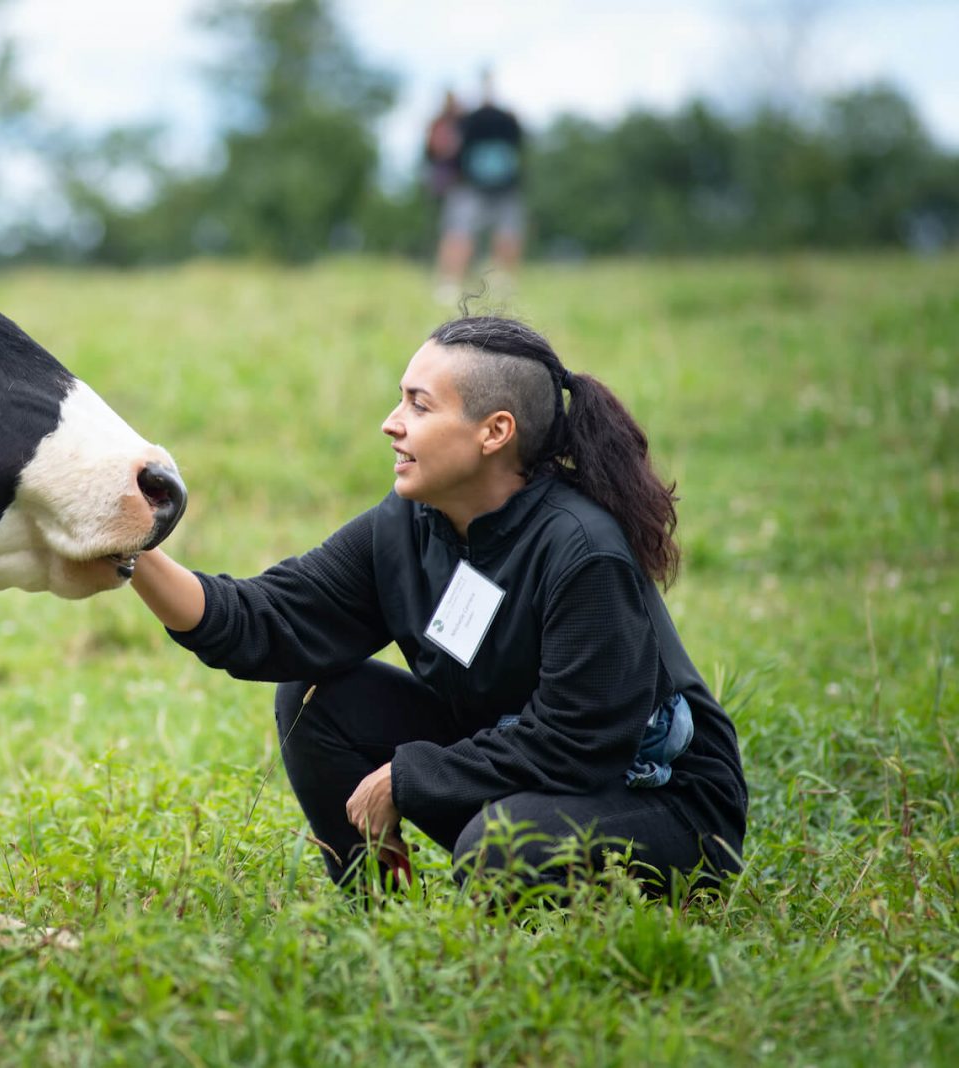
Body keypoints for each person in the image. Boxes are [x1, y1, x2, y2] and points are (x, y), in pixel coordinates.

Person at [130, 316, 747, 896]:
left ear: (495, 432)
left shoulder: (581, 551)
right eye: (401, 399)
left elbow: (578, 744)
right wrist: (130, 545)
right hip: (523, 771)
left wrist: (410, 777)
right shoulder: (407, 525)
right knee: (313, 698)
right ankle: (381, 920)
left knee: (499, 848)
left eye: (419, 405)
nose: (391, 423)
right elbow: (269, 618)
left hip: (662, 805)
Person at [435, 70, 526, 304]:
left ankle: (487, 282)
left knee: (500, 233)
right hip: (480, 185)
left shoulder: (472, 119)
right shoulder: (504, 118)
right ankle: (454, 282)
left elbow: (447, 148)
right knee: (464, 233)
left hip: (490, 186)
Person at [422, 89, 462, 200]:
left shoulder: (460, 122)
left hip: (456, 175)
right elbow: (430, 147)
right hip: (440, 171)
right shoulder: (438, 123)